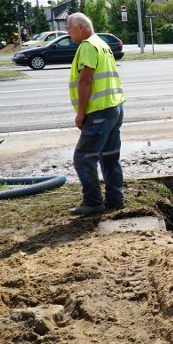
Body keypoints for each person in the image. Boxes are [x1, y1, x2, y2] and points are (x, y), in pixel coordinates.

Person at [66, 12, 126, 216]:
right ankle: (115, 199)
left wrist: (80, 113)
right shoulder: (101, 43)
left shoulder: (88, 46)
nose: (68, 33)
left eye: (69, 28)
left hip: (99, 111)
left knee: (83, 158)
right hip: (114, 108)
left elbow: (85, 81)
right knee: (109, 156)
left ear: (81, 28)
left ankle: (92, 202)